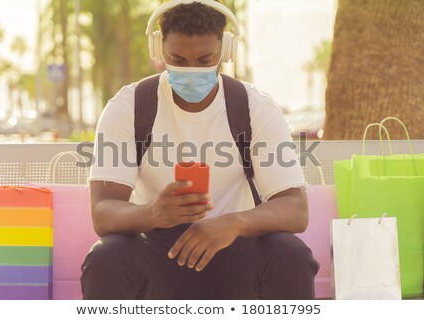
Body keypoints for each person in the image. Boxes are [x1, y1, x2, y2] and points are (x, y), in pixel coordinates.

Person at [81, 0, 319, 300]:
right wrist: (153, 213)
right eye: (178, 59)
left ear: (225, 50)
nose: (192, 71)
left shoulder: (253, 106)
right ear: (159, 49)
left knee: (290, 254)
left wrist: (234, 222)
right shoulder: (129, 107)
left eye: (205, 59)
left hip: (234, 246)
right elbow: (103, 213)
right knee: (107, 257)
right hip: (158, 249)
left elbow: (296, 209)